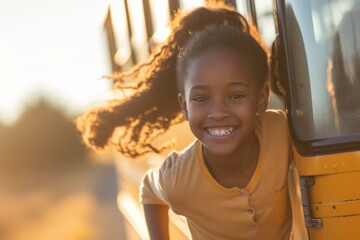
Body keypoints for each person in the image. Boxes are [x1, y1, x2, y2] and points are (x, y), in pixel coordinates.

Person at [77, 3, 292, 240]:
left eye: (236, 96)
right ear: (185, 107)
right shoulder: (180, 177)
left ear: (261, 98)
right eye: (201, 98)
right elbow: (150, 191)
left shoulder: (281, 132)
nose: (218, 112)